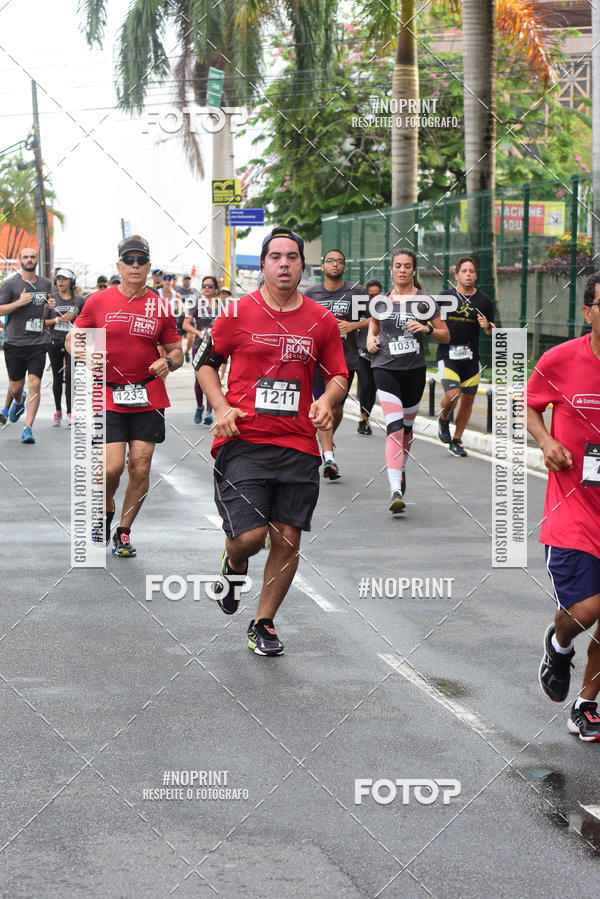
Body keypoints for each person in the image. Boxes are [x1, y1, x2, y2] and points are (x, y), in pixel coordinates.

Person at [196, 226, 347, 655]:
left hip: (299, 443)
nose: (284, 263)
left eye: (292, 257)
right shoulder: (238, 312)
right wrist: (221, 407)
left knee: (287, 538)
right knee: (250, 537)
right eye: (275, 256)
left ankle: (263, 622)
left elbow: (338, 372)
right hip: (243, 441)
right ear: (262, 264)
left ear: (302, 264)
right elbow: (206, 364)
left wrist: (329, 400)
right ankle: (235, 561)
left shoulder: (321, 319)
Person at [68, 235, 183, 557]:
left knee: (141, 467)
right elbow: (75, 338)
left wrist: (169, 361)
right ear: (118, 265)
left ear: (149, 267)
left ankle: (123, 530)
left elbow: (177, 350)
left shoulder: (161, 306)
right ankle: (103, 513)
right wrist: (84, 354)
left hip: (148, 394)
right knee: (111, 468)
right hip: (108, 395)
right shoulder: (98, 301)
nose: (135, 266)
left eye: (141, 261)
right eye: (129, 261)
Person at [528, 272, 600, 742]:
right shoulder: (560, 360)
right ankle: (559, 643)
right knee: (589, 607)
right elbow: (530, 405)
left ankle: (587, 704)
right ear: (588, 310)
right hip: (574, 509)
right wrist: (547, 439)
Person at [367, 249, 449, 513]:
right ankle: (394, 489)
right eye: (398, 266)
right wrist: (370, 338)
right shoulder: (381, 300)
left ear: (414, 270)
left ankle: (400, 468)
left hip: (414, 370)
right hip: (384, 368)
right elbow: (374, 324)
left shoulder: (426, 301)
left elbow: (445, 335)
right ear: (391, 269)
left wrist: (427, 329)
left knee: (408, 428)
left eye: (407, 266)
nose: (402, 270)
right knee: (395, 427)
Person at [304, 250, 369, 479]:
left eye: (339, 261)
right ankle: (328, 457)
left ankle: (325, 441)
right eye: (330, 261)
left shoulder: (356, 292)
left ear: (344, 267)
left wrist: (353, 325)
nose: (335, 264)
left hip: (345, 360)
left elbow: (376, 317)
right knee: (323, 404)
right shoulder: (311, 293)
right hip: (317, 362)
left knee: (337, 408)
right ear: (323, 267)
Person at [437, 257, 494, 456]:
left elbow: (492, 330)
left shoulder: (483, 300)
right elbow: (433, 322)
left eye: (472, 271)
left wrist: (487, 326)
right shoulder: (445, 297)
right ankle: (444, 419)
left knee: (468, 401)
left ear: (476, 275)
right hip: (448, 354)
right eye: (464, 271)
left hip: (471, 358)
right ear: (456, 275)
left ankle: (457, 439)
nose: (468, 274)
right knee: (453, 395)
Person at [0, 247, 55, 444]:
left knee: (35, 383)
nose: (29, 260)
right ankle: (18, 400)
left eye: (32, 257)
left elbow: (49, 309)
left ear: (37, 260)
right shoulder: (10, 285)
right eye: (26, 257)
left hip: (38, 342)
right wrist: (19, 303)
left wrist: (51, 307)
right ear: (20, 260)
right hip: (14, 343)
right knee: (16, 386)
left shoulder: (45, 283)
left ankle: (28, 428)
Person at [46, 267, 81, 427]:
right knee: (57, 378)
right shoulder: (51, 300)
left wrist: (78, 328)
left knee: (71, 378)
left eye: (64, 279)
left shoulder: (79, 301)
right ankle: (58, 411)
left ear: (71, 282)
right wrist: (59, 320)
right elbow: (43, 322)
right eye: (58, 279)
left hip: (71, 344)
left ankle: (70, 413)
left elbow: (86, 322)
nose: (60, 281)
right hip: (54, 342)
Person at [184, 276, 219, 425]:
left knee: (213, 378)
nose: (206, 288)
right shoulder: (196, 304)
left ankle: (209, 412)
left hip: (216, 347)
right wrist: (198, 333)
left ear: (215, 289)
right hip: (199, 346)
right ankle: (200, 407)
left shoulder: (222, 305)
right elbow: (186, 325)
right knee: (199, 380)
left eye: (210, 286)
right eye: (204, 285)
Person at [356, 278, 382, 436]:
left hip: (379, 353)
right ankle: (362, 417)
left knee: (372, 388)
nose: (374, 297)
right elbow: (354, 323)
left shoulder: (386, 305)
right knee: (365, 384)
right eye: (371, 294)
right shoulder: (360, 307)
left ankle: (366, 418)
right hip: (362, 352)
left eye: (377, 294)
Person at [179, 274, 198, 362]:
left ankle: (186, 352)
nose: (187, 281)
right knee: (179, 339)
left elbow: (199, 303)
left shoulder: (195, 291)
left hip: (190, 317)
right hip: (180, 317)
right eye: (185, 279)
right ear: (182, 280)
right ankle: (179, 354)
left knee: (191, 337)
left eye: (188, 279)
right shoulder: (177, 290)